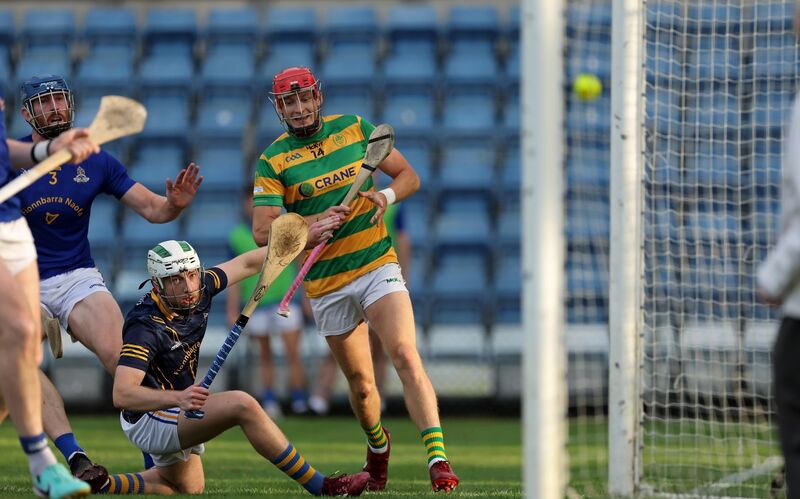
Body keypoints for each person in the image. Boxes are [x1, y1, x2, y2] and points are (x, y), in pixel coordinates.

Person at [252, 66, 459, 493]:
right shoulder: (273, 159)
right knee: (363, 389)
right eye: (289, 101)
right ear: (279, 108)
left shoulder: (355, 129)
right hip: (327, 283)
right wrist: (310, 225)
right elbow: (262, 231)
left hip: (375, 264)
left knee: (403, 352)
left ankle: (438, 459)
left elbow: (409, 177)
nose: (299, 107)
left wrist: (383, 195)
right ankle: (378, 446)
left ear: (317, 97)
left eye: (304, 97)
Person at [12, 74, 202, 491]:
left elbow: (153, 210)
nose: (54, 109)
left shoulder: (96, 160)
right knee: (19, 365)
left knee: (125, 356)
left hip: (76, 276)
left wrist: (174, 204)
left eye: (59, 100)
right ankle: (75, 456)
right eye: (44, 104)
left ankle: (159, 456)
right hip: (18, 277)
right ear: (26, 114)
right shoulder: (12, 159)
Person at [110, 239, 369, 496]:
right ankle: (323, 487)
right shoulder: (144, 325)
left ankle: (103, 484)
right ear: (158, 283)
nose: (188, 286)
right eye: (176, 280)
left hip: (175, 409)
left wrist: (303, 240)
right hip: (148, 418)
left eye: (191, 275)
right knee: (242, 405)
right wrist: (181, 397)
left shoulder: (201, 287)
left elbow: (247, 263)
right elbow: (122, 394)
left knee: (188, 488)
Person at [0, 85, 100, 497]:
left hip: (10, 226)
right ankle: (45, 464)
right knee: (24, 331)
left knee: (24, 350)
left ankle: (45, 469)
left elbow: (4, 152)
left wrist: (48, 151)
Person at [309, 196, 411, 416]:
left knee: (380, 344)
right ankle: (320, 396)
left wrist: (402, 275)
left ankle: (378, 396)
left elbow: (403, 242)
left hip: (379, 276)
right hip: (345, 277)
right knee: (342, 347)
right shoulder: (342, 200)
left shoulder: (391, 204)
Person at [226, 185, 309, 418]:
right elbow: (232, 276)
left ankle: (299, 399)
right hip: (256, 303)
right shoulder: (237, 236)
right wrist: (232, 309)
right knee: (265, 356)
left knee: (293, 352)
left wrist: (306, 298)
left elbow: (301, 264)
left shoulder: (283, 228)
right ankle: (270, 399)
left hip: (286, 301)